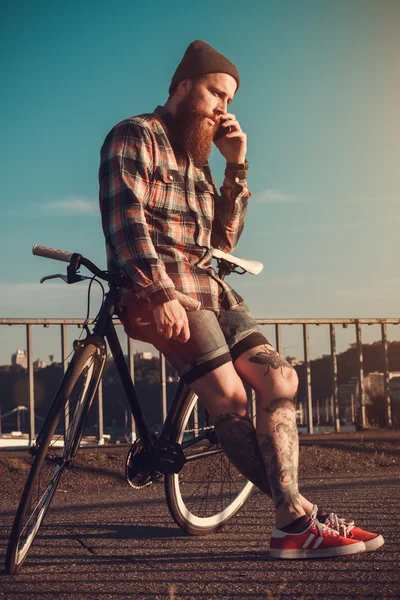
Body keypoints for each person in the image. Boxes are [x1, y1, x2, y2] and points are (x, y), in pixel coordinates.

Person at [98, 40, 384, 559]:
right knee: (229, 398)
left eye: (228, 101)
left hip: (212, 288)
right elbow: (126, 223)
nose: (222, 109)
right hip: (158, 291)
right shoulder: (135, 135)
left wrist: (238, 165)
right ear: (183, 85)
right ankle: (296, 518)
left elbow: (224, 241)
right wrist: (160, 291)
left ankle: (295, 520)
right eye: (215, 93)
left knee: (282, 379)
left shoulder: (201, 157)